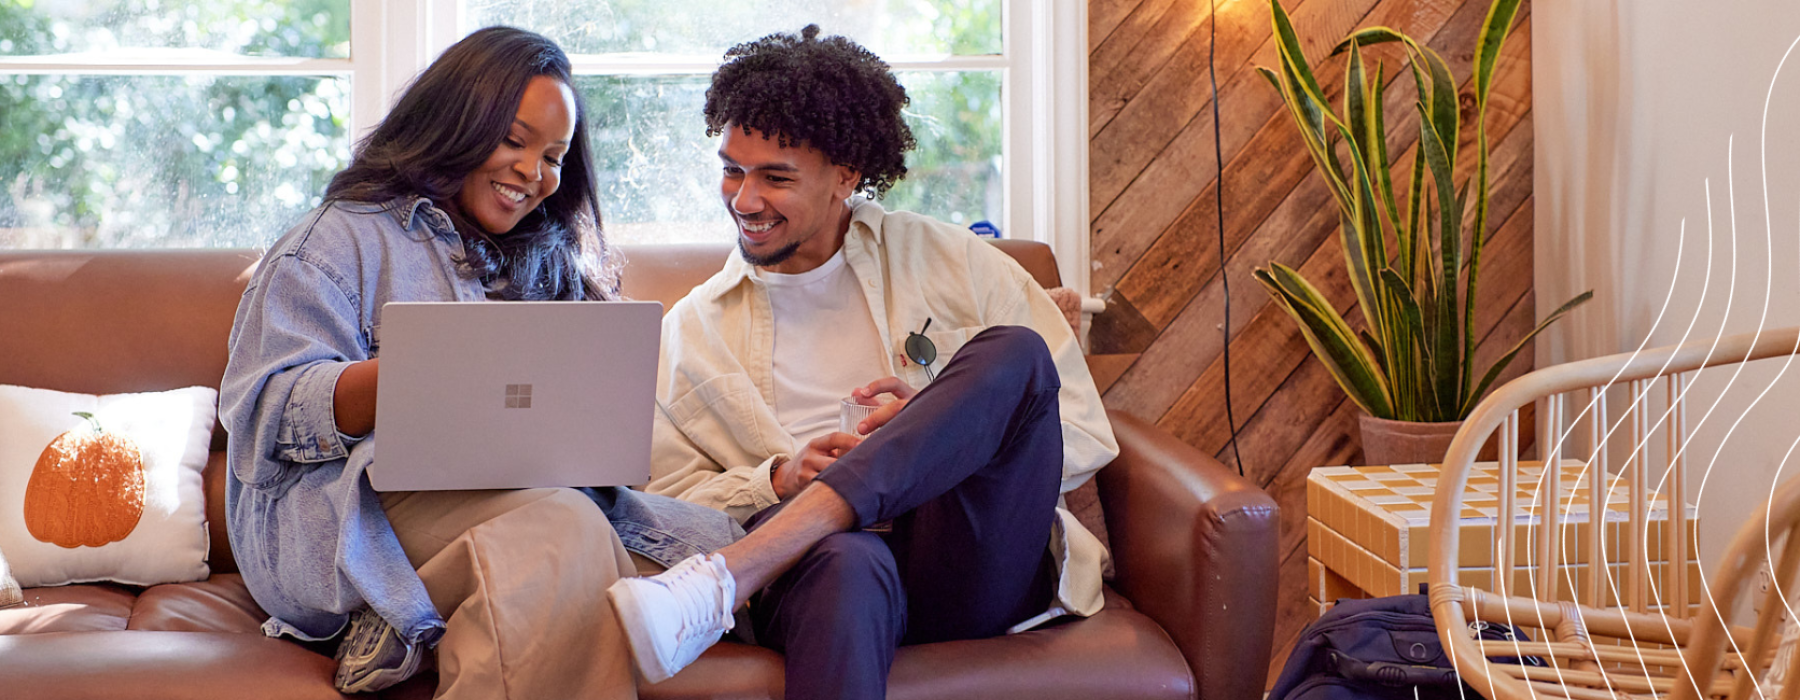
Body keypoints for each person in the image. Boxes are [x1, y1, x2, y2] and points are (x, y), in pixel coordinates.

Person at [219, 27, 738, 699]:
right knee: (560, 536)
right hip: (353, 508)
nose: (534, 173)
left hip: (526, 496)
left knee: (712, 564)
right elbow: (263, 414)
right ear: (454, 124)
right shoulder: (336, 240)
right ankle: (389, 603)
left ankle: (407, 617)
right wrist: (413, 375)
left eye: (553, 156)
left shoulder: (549, 257)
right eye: (515, 141)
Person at [606, 25, 1120, 699]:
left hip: (964, 557)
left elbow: (1078, 432)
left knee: (1016, 353)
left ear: (845, 175)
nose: (744, 200)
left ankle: (734, 574)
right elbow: (655, 506)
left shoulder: (952, 260)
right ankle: (796, 535)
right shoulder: (693, 329)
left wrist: (939, 429)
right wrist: (778, 478)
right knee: (847, 561)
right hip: (823, 580)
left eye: (775, 177)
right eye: (732, 169)